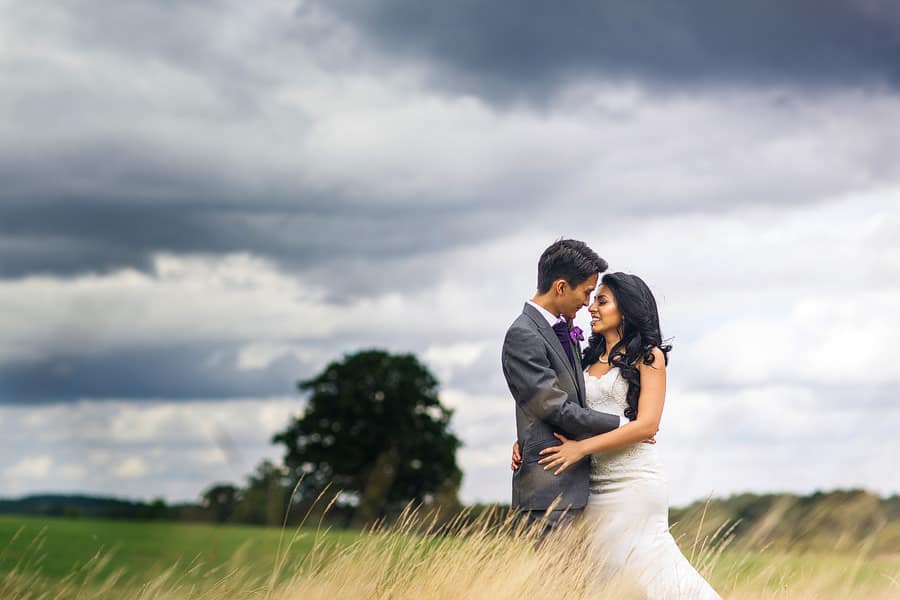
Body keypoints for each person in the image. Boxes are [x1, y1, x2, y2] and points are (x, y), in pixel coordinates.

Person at [516, 272, 721, 598]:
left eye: (601, 300)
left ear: (624, 309)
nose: (591, 308)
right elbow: (563, 412)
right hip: (593, 485)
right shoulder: (582, 361)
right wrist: (527, 443)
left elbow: (647, 425)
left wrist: (581, 448)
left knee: (649, 571)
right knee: (609, 579)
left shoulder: (649, 356)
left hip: (633, 483)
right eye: (592, 299)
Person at [502, 239, 646, 539]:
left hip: (578, 485)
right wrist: (623, 425)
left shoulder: (563, 329)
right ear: (561, 287)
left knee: (581, 584)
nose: (587, 302)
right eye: (586, 292)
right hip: (549, 485)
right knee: (561, 582)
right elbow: (551, 405)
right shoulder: (523, 334)